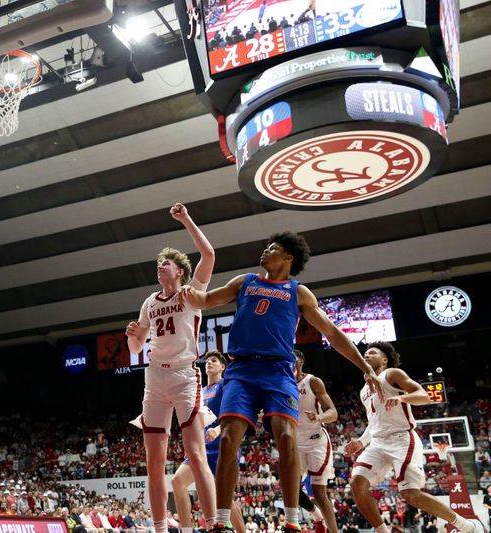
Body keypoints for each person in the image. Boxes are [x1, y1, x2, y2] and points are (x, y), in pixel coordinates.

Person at [178, 231, 381, 533]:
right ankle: (220, 523)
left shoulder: (298, 292)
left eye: (272, 248)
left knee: (286, 436)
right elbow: (207, 300)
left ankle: (292, 521)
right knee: (227, 439)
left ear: (288, 258)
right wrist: (189, 294)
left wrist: (364, 365)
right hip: (241, 371)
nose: (264, 251)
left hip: (278, 372)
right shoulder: (245, 281)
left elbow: (333, 334)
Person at [125, 203, 217, 533]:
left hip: (183, 374)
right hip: (154, 377)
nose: (159, 267)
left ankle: (213, 525)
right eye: (158, 264)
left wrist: (185, 219)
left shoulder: (192, 293)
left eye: (165, 264)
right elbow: (137, 349)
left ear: (179, 271)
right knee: (154, 463)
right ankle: (160, 527)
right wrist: (133, 338)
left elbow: (209, 255)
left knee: (195, 454)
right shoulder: (150, 302)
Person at [345, 342, 485, 533]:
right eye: (365, 353)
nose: (366, 356)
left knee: (410, 494)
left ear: (384, 359)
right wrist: (360, 442)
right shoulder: (364, 390)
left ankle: (468, 526)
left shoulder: (392, 374)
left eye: (372, 353)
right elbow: (374, 422)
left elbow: (423, 395)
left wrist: (401, 398)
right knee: (357, 483)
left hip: (402, 439)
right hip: (377, 443)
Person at [171, 351, 245, 533]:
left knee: (224, 499)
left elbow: (233, 413)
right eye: (207, 361)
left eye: (214, 361)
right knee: (177, 481)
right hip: (201, 448)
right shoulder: (201, 391)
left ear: (222, 367)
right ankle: (186, 530)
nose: (209, 363)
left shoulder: (225, 385)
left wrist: (218, 430)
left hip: (223, 445)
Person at [294, 350, 338, 533]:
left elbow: (333, 413)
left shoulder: (312, 381)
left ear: (301, 361)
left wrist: (319, 416)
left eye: (293, 357)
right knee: (290, 489)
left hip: (316, 441)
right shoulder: (280, 383)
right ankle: (317, 516)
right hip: (295, 443)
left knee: (319, 492)